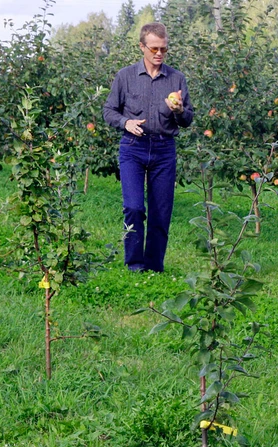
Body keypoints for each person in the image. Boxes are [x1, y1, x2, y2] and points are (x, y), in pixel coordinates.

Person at [103, 22, 193, 273]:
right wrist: (126, 122)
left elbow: (187, 120)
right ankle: (134, 264)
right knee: (133, 207)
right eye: (154, 48)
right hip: (133, 147)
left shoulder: (176, 78)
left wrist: (179, 110)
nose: (159, 53)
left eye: (164, 49)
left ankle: (154, 267)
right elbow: (108, 111)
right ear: (142, 47)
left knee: (160, 212)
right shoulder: (125, 76)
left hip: (164, 149)